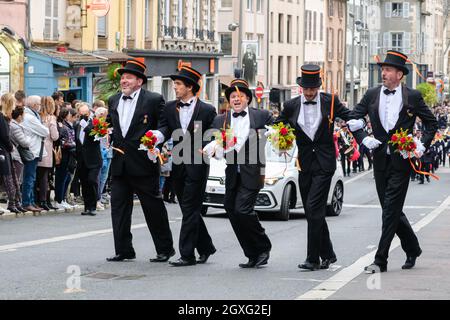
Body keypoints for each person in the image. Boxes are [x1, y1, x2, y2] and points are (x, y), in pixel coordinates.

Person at [350, 50, 438, 273]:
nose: (384, 73)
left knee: (389, 211)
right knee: (391, 210)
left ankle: (380, 260)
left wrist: (420, 146)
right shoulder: (371, 94)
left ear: (400, 74)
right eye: (383, 70)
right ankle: (413, 247)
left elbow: (431, 124)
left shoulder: (413, 96)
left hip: (401, 161)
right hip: (379, 160)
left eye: (388, 70)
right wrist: (364, 138)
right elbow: (354, 118)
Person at [275, 64, 364, 271]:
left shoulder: (330, 101)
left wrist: (362, 127)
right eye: (306, 89)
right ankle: (329, 254)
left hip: (325, 163)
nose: (309, 93)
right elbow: (278, 125)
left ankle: (312, 258)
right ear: (300, 88)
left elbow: (350, 115)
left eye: (312, 89)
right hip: (304, 163)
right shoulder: (290, 105)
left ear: (318, 87)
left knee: (314, 208)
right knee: (311, 210)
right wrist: (279, 137)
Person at [106, 58, 174, 262]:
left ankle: (165, 249)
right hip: (120, 163)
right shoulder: (114, 100)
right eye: (122, 78)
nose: (124, 81)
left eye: (128, 77)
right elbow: (110, 125)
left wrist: (157, 137)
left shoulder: (153, 99)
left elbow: (165, 126)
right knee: (118, 208)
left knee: (153, 208)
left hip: (144, 162)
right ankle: (124, 250)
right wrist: (102, 130)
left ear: (139, 81)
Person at [151, 66, 217, 267]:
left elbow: (213, 133)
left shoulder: (207, 110)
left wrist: (208, 146)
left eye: (178, 84)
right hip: (178, 165)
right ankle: (206, 247)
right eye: (174, 84)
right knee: (190, 208)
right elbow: (165, 128)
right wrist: (156, 137)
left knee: (189, 208)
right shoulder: (170, 107)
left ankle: (187, 254)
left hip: (198, 165)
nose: (174, 87)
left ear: (190, 87)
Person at [203, 78, 272, 268]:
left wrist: (276, 135)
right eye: (233, 96)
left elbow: (278, 129)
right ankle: (251, 253)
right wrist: (211, 147)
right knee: (231, 209)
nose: (236, 99)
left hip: (253, 172)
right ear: (229, 100)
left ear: (248, 99)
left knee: (243, 210)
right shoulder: (221, 120)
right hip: (233, 172)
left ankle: (263, 246)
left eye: (240, 95)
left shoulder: (261, 116)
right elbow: (210, 141)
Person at [22, 96, 49, 212]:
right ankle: (27, 202)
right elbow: (45, 131)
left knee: (31, 177)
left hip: (34, 149)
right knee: (29, 177)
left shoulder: (32, 115)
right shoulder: (29, 117)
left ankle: (31, 201)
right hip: (32, 150)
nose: (40, 107)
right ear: (33, 105)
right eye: (39, 104)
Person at [74, 103, 102, 216]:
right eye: (81, 114)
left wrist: (87, 125)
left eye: (85, 114)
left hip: (94, 159)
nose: (83, 116)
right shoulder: (78, 124)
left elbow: (96, 137)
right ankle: (87, 207)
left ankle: (93, 205)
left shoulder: (95, 123)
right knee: (84, 183)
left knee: (92, 180)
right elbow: (78, 141)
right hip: (82, 159)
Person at [36, 96, 59, 211]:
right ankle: (43, 200)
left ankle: (36, 199)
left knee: (36, 176)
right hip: (46, 149)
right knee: (45, 176)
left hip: (35, 149)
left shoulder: (37, 116)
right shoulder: (51, 118)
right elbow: (55, 136)